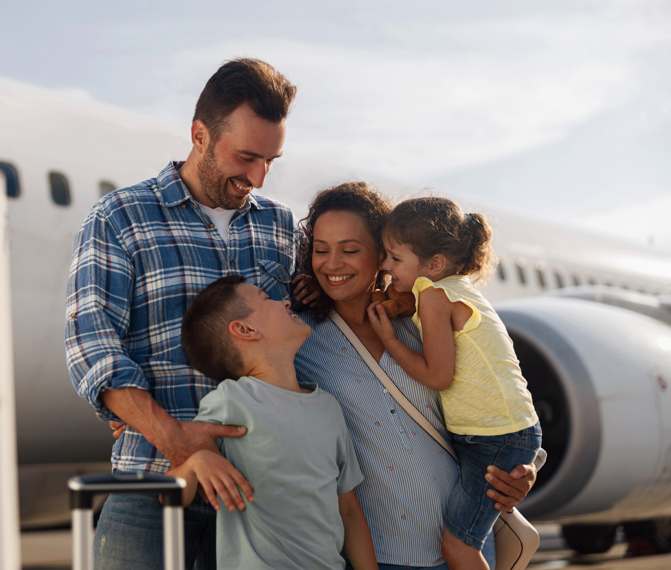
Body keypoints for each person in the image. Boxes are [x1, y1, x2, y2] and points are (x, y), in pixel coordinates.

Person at [65, 58, 302, 570]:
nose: (258, 177)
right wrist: (172, 437)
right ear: (199, 135)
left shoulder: (281, 228)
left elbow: (314, 340)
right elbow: (92, 346)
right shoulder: (120, 217)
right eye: (246, 157)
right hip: (150, 486)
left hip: (261, 498)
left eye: (271, 160)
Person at [293, 183, 544, 570]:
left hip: (466, 551)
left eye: (350, 249)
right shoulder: (302, 340)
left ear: (382, 255)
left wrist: (524, 471)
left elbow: (495, 403)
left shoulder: (424, 325)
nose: (331, 264)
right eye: (321, 250)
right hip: (382, 555)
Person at [368, 196, 542, 570]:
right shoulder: (453, 289)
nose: (384, 266)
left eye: (395, 258)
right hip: (504, 430)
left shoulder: (433, 296)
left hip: (494, 436)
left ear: (434, 264)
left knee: (458, 547)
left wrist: (390, 340)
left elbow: (437, 375)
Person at [167, 274, 378, 570]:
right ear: (245, 329)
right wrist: (196, 463)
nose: (286, 301)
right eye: (268, 299)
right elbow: (169, 494)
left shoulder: (328, 407)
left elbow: (350, 511)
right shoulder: (230, 401)